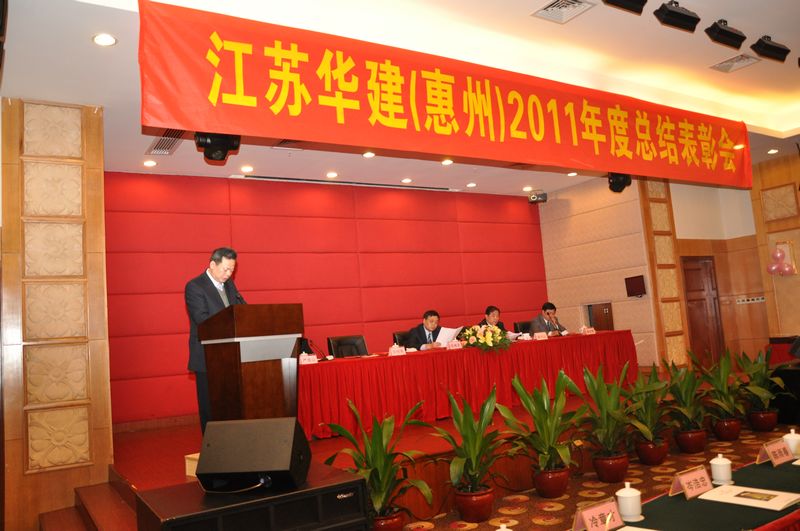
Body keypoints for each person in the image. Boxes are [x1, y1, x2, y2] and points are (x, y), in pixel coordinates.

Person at [185, 247, 246, 432]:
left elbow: (241, 310)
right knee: (210, 406)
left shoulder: (229, 285)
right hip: (207, 355)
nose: (228, 274)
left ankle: (230, 440)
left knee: (229, 404)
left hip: (230, 355)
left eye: (232, 270)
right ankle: (211, 444)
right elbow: (202, 320)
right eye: (225, 269)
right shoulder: (195, 286)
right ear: (212, 264)